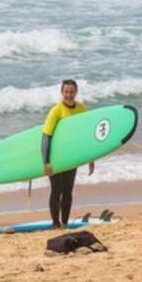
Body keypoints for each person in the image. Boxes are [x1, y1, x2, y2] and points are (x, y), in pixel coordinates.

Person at [43, 79, 94, 228]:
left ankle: (64, 222)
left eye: (71, 92)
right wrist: (46, 161)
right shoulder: (56, 111)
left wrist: (91, 158)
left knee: (68, 191)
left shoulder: (82, 109)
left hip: (72, 157)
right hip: (56, 157)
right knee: (56, 190)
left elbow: (89, 135)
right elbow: (46, 136)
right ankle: (55, 222)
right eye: (66, 92)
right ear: (62, 92)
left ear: (76, 92)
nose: (69, 95)